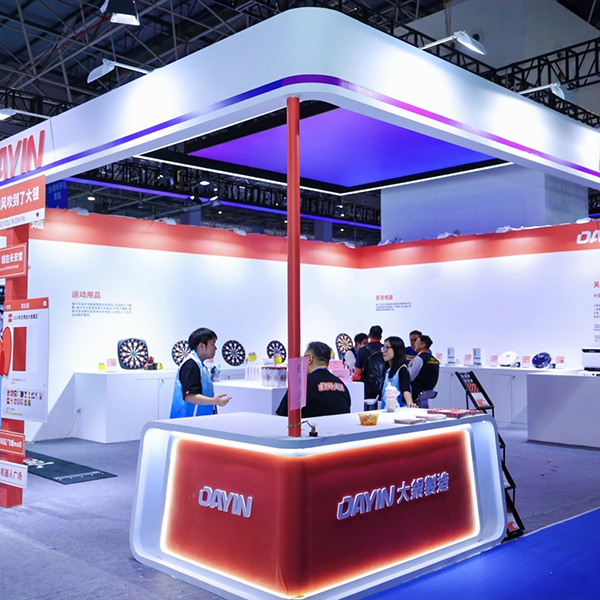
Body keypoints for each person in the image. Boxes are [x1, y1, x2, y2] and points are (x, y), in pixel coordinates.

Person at [276, 341, 351, 418]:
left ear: (309, 359)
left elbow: (280, 417)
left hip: (311, 425)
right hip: (342, 425)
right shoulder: (342, 385)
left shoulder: (301, 384)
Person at [170, 327, 232, 418]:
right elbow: (189, 396)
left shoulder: (199, 364)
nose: (215, 348)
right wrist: (214, 401)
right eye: (213, 344)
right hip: (188, 420)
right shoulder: (190, 365)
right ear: (202, 346)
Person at [381, 336, 416, 408]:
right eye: (383, 348)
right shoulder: (388, 370)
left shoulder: (402, 369)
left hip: (398, 410)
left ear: (396, 349)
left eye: (387, 348)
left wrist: (410, 404)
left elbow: (406, 390)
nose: (383, 351)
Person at [408, 334, 440, 407]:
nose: (414, 344)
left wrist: (409, 366)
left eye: (416, 342)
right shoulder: (434, 359)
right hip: (428, 391)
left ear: (423, 345)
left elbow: (410, 377)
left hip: (416, 392)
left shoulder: (419, 358)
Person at [354, 325, 385, 401]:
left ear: (369, 336)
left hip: (369, 386)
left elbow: (358, 371)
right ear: (381, 337)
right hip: (384, 384)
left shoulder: (362, 350)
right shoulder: (385, 349)